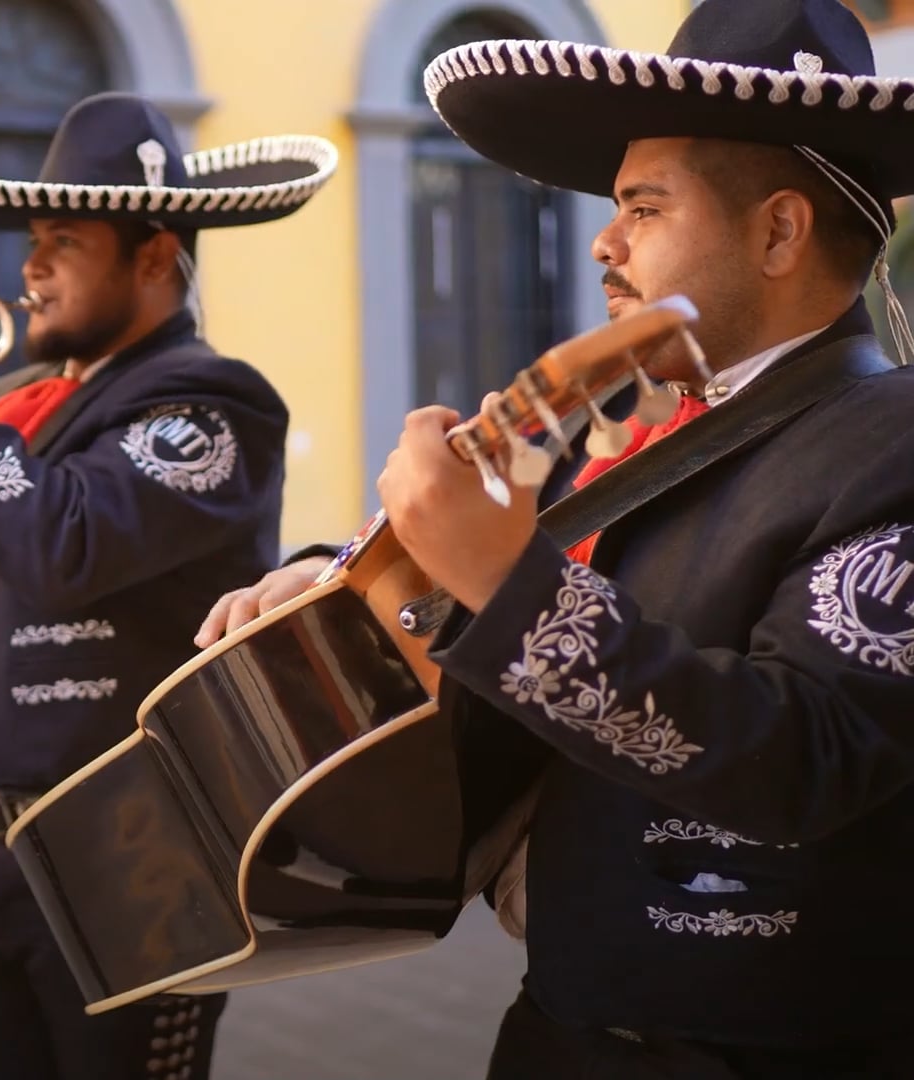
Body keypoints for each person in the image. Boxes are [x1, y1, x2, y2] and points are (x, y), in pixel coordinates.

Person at [200, 1, 914, 1075]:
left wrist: (501, 575)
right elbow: (511, 634)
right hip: (559, 1025)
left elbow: (802, 758)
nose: (605, 242)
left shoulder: (893, 442)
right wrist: (345, 585)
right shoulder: (629, 425)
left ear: (778, 231)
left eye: (644, 207)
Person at [0, 92, 337, 1080]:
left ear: (154, 256)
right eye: (32, 239)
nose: (31, 266)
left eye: (65, 241)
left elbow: (65, 541)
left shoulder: (214, 404)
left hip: (139, 855)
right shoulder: (20, 405)